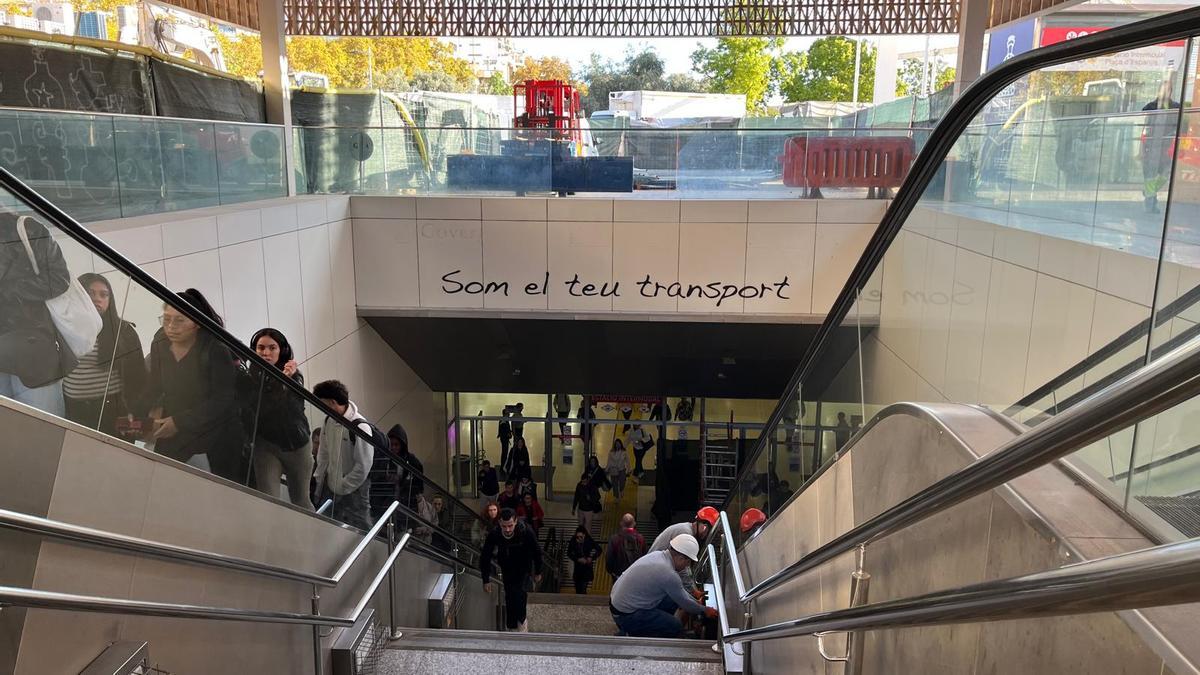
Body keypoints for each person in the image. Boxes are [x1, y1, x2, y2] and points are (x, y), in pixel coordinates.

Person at [137, 289, 244, 483]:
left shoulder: (215, 348)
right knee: (158, 475)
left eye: (179, 320)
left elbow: (223, 400)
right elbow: (154, 385)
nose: (170, 327)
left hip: (219, 428)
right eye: (166, 319)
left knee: (225, 487)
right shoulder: (160, 342)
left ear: (195, 323)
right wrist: (136, 413)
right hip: (179, 420)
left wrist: (178, 422)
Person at [0, 211, 73, 417]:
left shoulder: (24, 227)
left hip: (33, 351)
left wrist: (7, 290)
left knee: (44, 433)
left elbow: (58, 278)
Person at [62, 273, 146, 437]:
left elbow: (139, 377)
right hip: (74, 409)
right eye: (90, 293)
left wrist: (136, 415)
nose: (97, 299)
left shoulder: (124, 331)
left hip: (114, 410)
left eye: (103, 294)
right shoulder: (64, 326)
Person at [247, 328, 312, 509]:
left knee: (301, 499)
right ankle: (270, 536)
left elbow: (293, 409)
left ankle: (306, 535)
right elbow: (260, 409)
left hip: (297, 444)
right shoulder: (252, 376)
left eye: (272, 348)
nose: (266, 353)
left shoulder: (294, 376)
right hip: (266, 444)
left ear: (281, 350)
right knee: (268, 499)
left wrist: (285, 380)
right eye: (260, 348)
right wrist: (281, 381)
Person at [609, 534, 716, 638]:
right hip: (626, 615)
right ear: (681, 558)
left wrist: (696, 602)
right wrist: (705, 610)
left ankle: (647, 627)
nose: (687, 566)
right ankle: (634, 633)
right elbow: (685, 602)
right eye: (688, 562)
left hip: (618, 604)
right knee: (675, 626)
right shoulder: (668, 574)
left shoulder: (658, 555)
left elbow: (680, 594)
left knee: (672, 600)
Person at [312, 379, 375, 530]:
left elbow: (364, 464)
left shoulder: (360, 426)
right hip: (331, 486)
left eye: (323, 403)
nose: (321, 408)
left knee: (360, 529)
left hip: (355, 490)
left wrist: (344, 484)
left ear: (333, 402)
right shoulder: (328, 421)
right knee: (327, 527)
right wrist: (319, 481)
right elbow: (323, 454)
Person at [481, 508, 543, 632]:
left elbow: (537, 552)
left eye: (510, 525)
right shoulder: (495, 533)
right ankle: (511, 626)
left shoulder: (525, 530)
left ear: (515, 521)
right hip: (507, 566)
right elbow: (485, 556)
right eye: (504, 526)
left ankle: (522, 624)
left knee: (520, 594)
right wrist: (486, 579)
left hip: (523, 566)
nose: (508, 530)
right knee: (509, 596)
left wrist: (538, 572)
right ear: (499, 523)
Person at [649, 507, 718, 590]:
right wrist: (693, 591)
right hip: (654, 574)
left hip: (656, 570)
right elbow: (684, 568)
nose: (706, 535)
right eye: (709, 531)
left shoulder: (687, 529)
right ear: (704, 527)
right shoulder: (686, 533)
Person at [1142, 79, 1181, 213]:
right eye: (1163, 89)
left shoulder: (1176, 107)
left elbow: (1181, 126)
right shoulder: (1150, 107)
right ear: (1159, 91)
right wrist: (1142, 148)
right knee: (1151, 176)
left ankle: (1148, 192)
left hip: (1167, 147)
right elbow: (1143, 127)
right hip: (1151, 146)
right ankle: (1151, 203)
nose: (1165, 92)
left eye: (1168, 89)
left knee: (1164, 175)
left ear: (1171, 91)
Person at [388, 423, 423, 508]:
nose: (393, 448)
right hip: (388, 501)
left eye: (396, 445)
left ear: (402, 445)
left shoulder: (412, 461)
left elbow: (419, 485)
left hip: (406, 503)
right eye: (391, 444)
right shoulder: (385, 459)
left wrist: (405, 483)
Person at [607, 513, 646, 582]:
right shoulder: (641, 539)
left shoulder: (614, 539)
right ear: (634, 524)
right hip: (636, 574)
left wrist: (612, 572)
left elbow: (609, 558)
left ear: (621, 523)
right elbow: (644, 556)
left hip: (619, 574)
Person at [568, 525, 602, 595]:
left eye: (581, 537)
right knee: (578, 589)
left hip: (586, 568)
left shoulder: (588, 540)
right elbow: (569, 553)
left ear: (584, 535)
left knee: (583, 589)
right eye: (577, 537)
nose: (579, 539)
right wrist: (577, 559)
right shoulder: (573, 540)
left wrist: (591, 558)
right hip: (577, 568)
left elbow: (599, 549)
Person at [497, 407, 512, 474]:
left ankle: (503, 466)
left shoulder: (504, 420)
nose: (509, 414)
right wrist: (508, 435)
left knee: (504, 453)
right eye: (508, 413)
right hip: (504, 440)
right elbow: (503, 431)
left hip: (504, 439)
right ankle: (503, 467)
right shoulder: (504, 421)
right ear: (505, 414)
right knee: (504, 453)